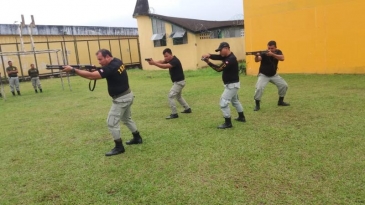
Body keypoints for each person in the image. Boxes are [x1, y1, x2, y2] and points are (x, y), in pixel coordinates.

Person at [62, 49, 143, 157]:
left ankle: (119, 147)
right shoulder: (117, 61)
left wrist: (73, 70)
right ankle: (137, 138)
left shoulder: (111, 67)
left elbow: (92, 76)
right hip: (127, 95)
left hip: (121, 99)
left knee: (111, 123)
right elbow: (104, 70)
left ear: (108, 57)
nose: (99, 62)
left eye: (100, 59)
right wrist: (96, 69)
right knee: (126, 119)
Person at [202, 42, 246, 129]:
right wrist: (209, 55)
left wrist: (208, 62)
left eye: (220, 50)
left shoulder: (230, 59)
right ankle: (241, 117)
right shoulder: (227, 56)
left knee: (223, 102)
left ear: (226, 48)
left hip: (232, 85)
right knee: (235, 101)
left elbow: (219, 69)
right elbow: (218, 57)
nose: (220, 53)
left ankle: (228, 123)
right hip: (233, 84)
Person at [147, 48, 192, 119]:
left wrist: (154, 63)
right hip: (178, 82)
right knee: (178, 97)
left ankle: (174, 114)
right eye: (164, 56)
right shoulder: (170, 59)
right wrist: (153, 61)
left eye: (166, 56)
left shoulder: (175, 61)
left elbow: (165, 66)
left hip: (179, 83)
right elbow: (162, 61)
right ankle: (187, 108)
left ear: (171, 54)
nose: (165, 58)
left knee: (170, 96)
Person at [253, 40, 289, 111]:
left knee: (284, 85)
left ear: (275, 48)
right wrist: (256, 56)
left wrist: (272, 54)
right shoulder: (264, 53)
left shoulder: (278, 52)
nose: (270, 50)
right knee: (259, 88)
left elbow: (282, 58)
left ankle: (280, 101)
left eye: (272, 48)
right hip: (263, 75)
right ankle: (257, 105)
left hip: (274, 75)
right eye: (269, 48)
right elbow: (257, 60)